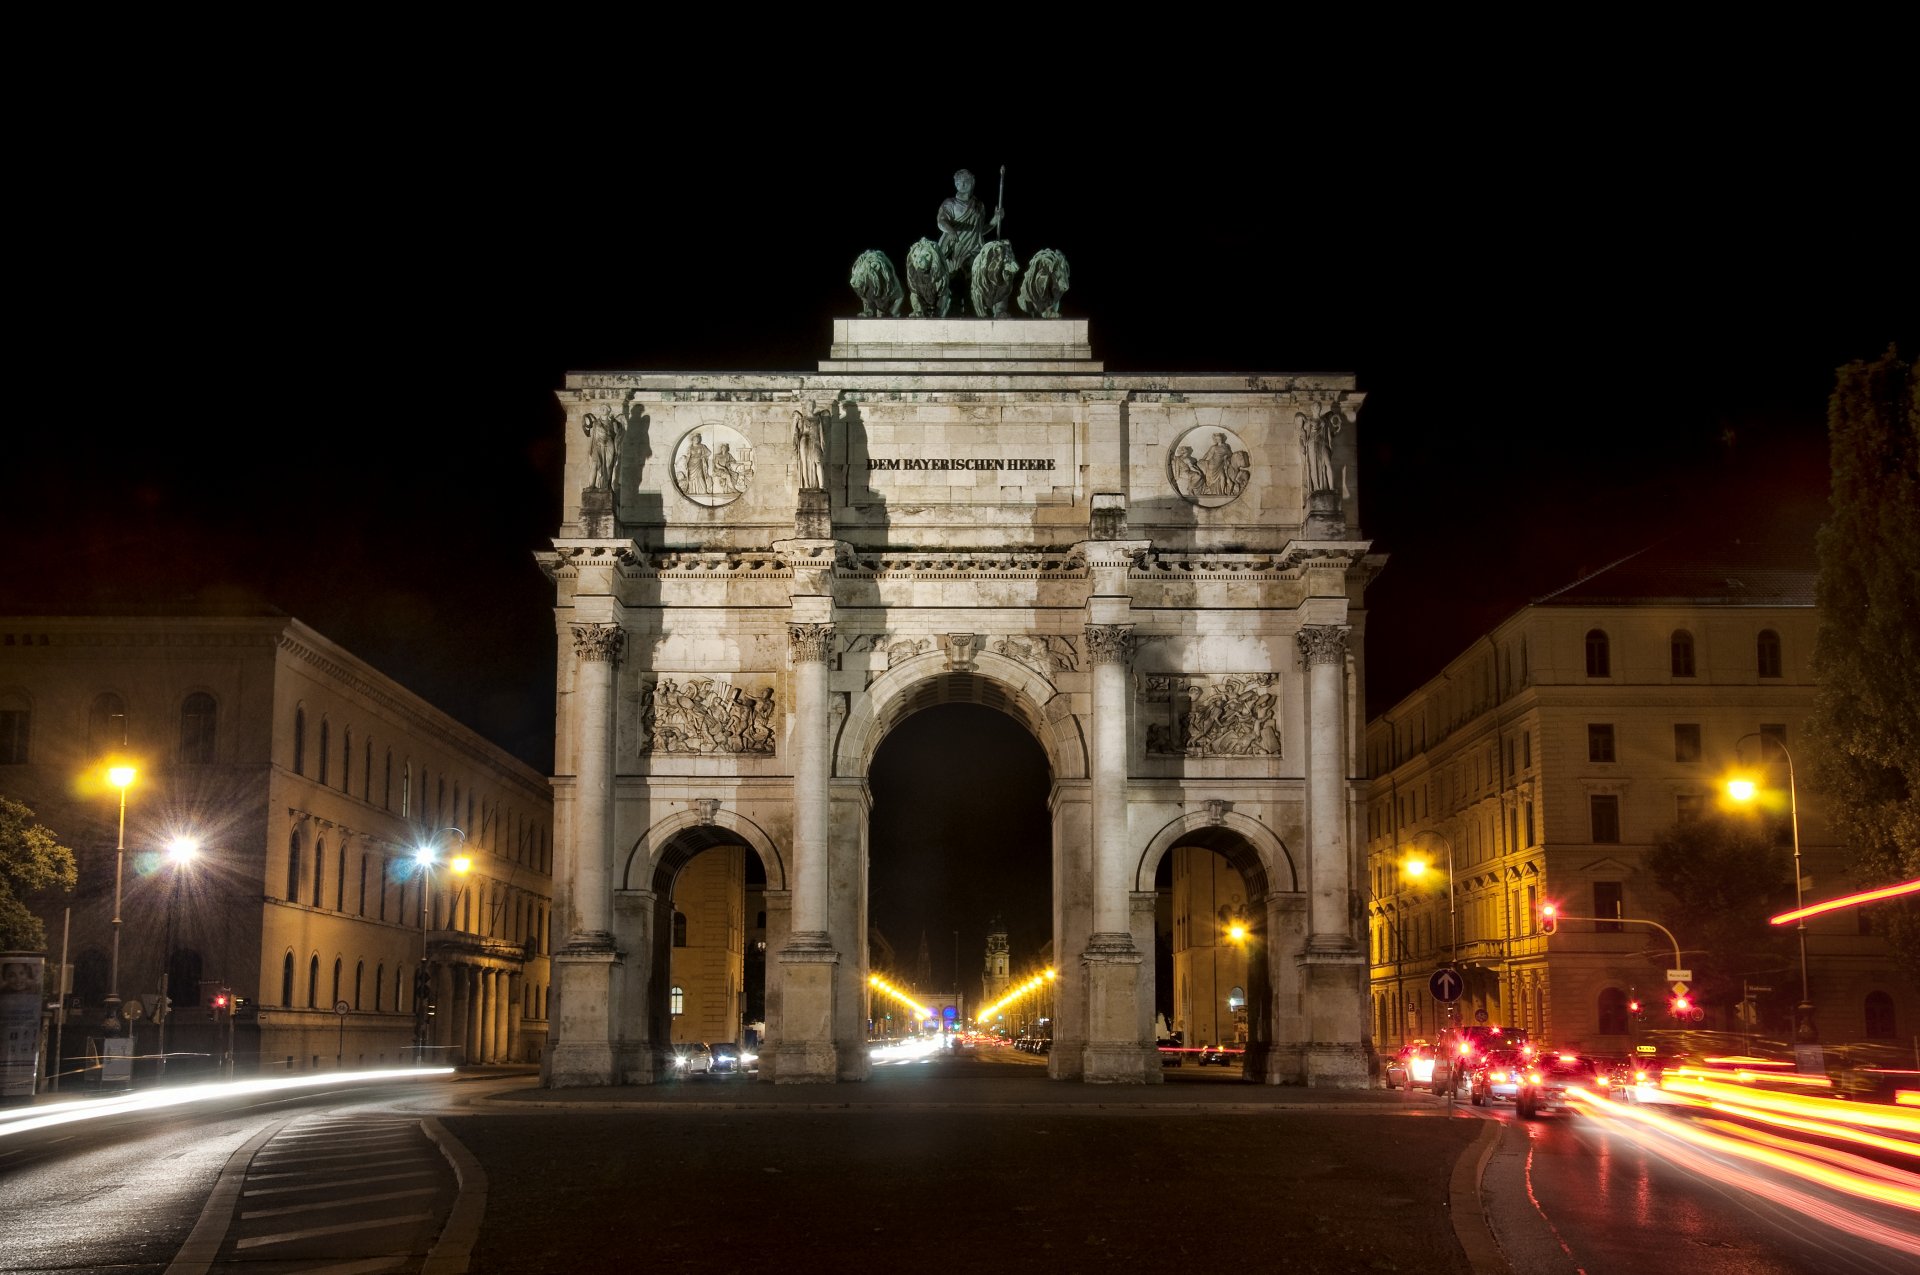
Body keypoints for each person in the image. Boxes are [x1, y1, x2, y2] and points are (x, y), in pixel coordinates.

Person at [937, 168, 1004, 285]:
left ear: (972, 182)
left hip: (975, 250)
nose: (962, 184)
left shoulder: (979, 205)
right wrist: (951, 231)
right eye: (958, 182)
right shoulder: (950, 204)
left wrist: (995, 220)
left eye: (965, 181)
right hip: (956, 250)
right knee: (956, 282)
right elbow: (941, 221)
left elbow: (979, 231)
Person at [583, 406, 625, 491]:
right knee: (594, 465)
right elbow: (587, 431)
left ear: (609, 410)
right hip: (597, 445)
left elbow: (618, 434)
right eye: (601, 408)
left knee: (608, 466)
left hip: (609, 445)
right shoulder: (595, 422)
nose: (602, 409)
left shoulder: (613, 422)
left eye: (605, 408)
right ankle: (591, 485)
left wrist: (618, 423)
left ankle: (608, 485)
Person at [793, 401, 829, 491]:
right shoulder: (802, 419)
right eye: (809, 405)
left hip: (815, 442)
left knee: (818, 462)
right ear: (806, 407)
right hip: (804, 441)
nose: (811, 407)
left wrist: (822, 445)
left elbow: (822, 433)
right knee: (804, 463)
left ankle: (821, 486)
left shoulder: (818, 419)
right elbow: (798, 432)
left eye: (812, 405)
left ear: (814, 406)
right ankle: (807, 486)